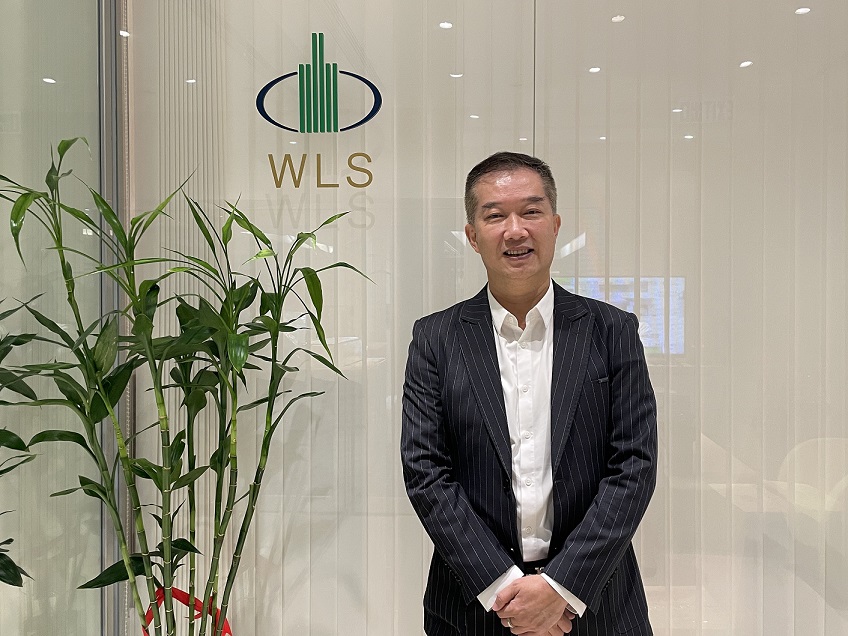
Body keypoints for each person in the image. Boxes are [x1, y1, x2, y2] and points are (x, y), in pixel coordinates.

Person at [401, 151, 657, 635]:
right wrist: (505, 588)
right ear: (472, 235)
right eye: (495, 215)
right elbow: (426, 472)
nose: (515, 230)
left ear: (555, 225)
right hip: (475, 607)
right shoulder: (436, 339)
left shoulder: (612, 331)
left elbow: (634, 467)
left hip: (596, 603)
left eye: (531, 211)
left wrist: (561, 587)